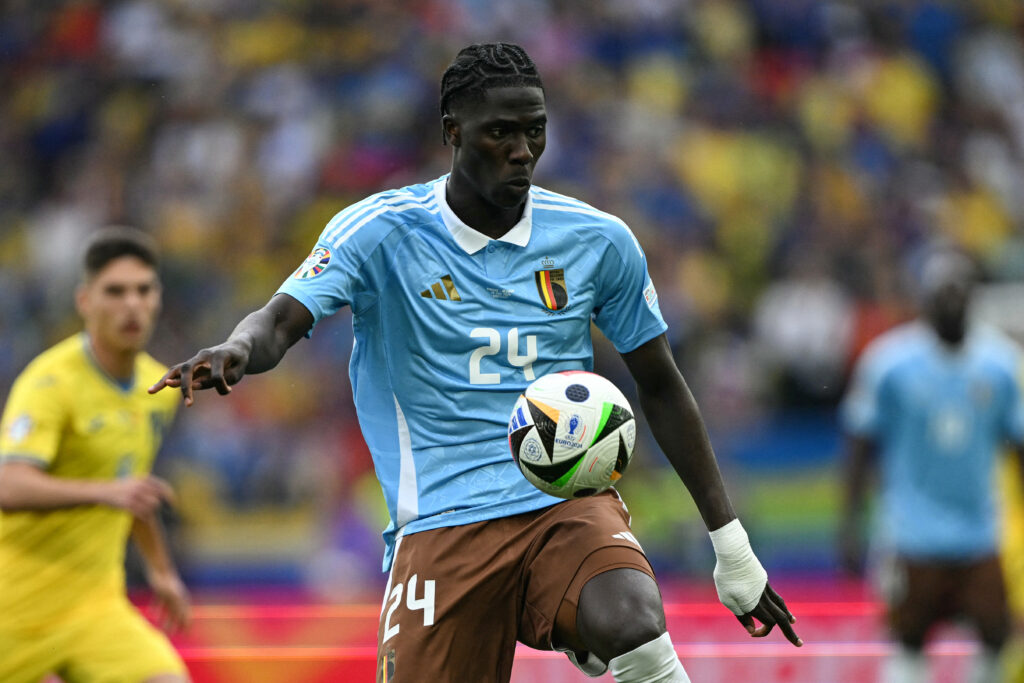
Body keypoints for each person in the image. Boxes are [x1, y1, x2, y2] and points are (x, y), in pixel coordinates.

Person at [151, 42, 800, 682]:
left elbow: (660, 386)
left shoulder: (598, 240)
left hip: (562, 504)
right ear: (452, 132)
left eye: (534, 130)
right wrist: (238, 348)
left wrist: (731, 545)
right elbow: (281, 320)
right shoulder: (378, 230)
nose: (522, 150)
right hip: (440, 523)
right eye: (500, 133)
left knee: (635, 621)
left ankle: (579, 616)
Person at [0, 227, 191, 683]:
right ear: (85, 300)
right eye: (115, 291)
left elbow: (133, 487)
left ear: (158, 298)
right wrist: (107, 492)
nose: (131, 304)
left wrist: (161, 570)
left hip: (95, 607)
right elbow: (9, 486)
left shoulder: (158, 389)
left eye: (143, 290)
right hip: (16, 604)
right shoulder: (48, 383)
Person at [839, 248, 1024, 683]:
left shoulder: (1000, 364)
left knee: (999, 634)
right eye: (942, 291)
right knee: (909, 636)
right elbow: (859, 444)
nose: (951, 299)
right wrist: (850, 523)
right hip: (910, 531)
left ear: (974, 296)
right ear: (924, 298)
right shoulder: (889, 364)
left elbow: (1018, 444)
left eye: (960, 289)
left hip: (979, 529)